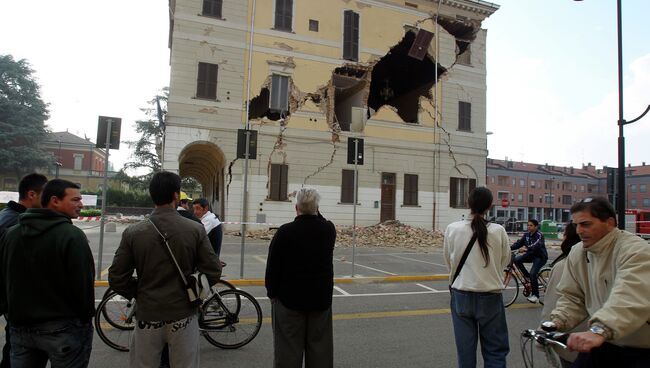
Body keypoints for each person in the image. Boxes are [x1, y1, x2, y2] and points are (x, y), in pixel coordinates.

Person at [109, 171, 222, 368]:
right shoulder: (195, 229)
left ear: (152, 196)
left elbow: (117, 277)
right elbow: (213, 270)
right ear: (176, 196)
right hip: (184, 313)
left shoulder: (133, 233)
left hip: (147, 314)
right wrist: (194, 290)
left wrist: (139, 292)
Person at [0, 179, 94, 368]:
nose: (81, 205)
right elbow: (83, 285)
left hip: (20, 328)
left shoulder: (12, 233)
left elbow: (4, 278)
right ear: (55, 201)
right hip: (63, 329)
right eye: (75, 200)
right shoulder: (72, 235)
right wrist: (84, 319)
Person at [548, 197, 650, 367]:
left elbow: (630, 296)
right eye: (576, 225)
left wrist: (600, 329)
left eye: (586, 224)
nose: (579, 230)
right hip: (605, 342)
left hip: (640, 347)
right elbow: (572, 297)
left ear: (610, 223)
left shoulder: (635, 251)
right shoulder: (578, 252)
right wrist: (555, 323)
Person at [265, 188, 336, 368]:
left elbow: (273, 267)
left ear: (296, 207)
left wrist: (272, 294)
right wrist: (313, 209)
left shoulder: (285, 232)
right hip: (320, 301)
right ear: (317, 207)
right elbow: (320, 218)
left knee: (287, 352)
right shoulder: (328, 230)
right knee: (320, 352)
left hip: (289, 301)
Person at [444, 187, 510, 368]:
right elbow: (504, 261)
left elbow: (450, 262)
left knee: (465, 352)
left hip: (461, 293)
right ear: (490, 206)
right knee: (495, 351)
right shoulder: (498, 231)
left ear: (468, 204)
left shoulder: (453, 229)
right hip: (490, 295)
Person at [0, 173, 47, 368]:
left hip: (12, 300)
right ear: (32, 195)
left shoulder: (8, 216)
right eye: (45, 194)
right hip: (14, 300)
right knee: (15, 352)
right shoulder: (16, 224)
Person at [540, 221, 584, 368]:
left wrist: (544, 332)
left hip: (571, 343)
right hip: (603, 343)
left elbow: (552, 304)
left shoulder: (563, 266)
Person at [510, 219, 548, 303]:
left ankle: (535, 296)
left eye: (531, 225)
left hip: (540, 257)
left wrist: (526, 248)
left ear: (536, 226)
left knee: (533, 273)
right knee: (516, 259)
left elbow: (537, 245)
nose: (529, 227)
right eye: (528, 225)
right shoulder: (526, 235)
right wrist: (508, 248)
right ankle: (527, 276)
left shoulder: (539, 235)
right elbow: (518, 244)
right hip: (530, 255)